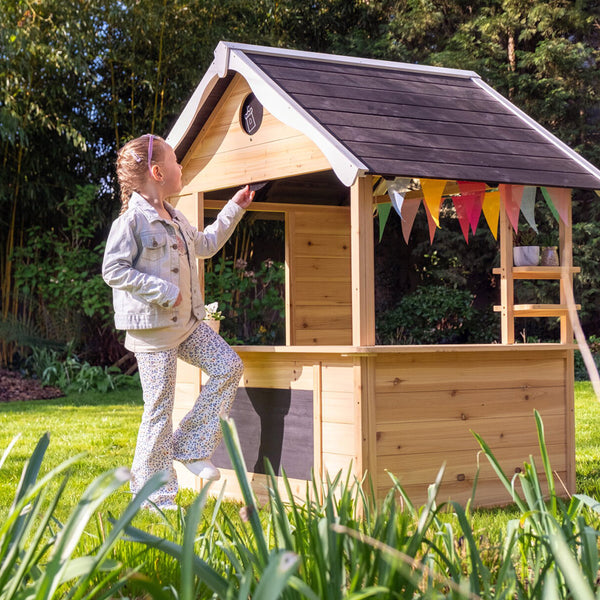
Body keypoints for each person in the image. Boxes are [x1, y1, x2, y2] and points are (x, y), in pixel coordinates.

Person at [102, 133, 254, 511]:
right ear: (157, 172)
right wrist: (163, 291)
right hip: (153, 333)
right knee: (158, 409)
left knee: (227, 366)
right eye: (175, 162)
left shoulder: (175, 214)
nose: (181, 167)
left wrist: (233, 209)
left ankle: (190, 445)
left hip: (186, 325)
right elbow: (113, 269)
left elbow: (204, 245)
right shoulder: (132, 222)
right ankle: (154, 494)